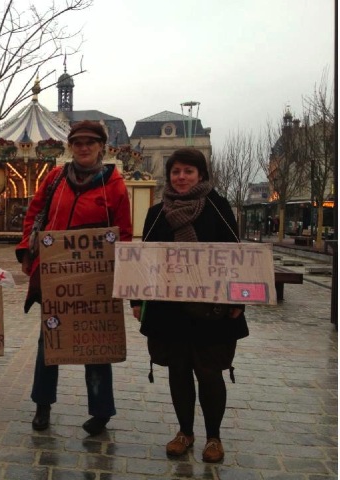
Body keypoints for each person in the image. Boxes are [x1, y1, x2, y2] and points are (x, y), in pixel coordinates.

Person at [131, 147, 249, 463]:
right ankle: (185, 432)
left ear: (200, 175)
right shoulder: (157, 213)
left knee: (210, 374)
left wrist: (239, 299)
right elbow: (143, 259)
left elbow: (237, 258)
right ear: (169, 176)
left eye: (188, 171)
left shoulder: (219, 207)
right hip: (169, 311)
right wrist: (136, 298)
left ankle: (214, 437)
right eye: (176, 172)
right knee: (179, 372)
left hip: (212, 311)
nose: (181, 177)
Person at [16, 120, 133, 435]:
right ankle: (43, 405)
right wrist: (29, 250)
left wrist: (117, 274)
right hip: (55, 279)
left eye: (90, 142)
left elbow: (124, 234)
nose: (83, 147)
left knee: (95, 344)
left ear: (101, 148)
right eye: (78, 142)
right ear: (71, 146)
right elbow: (34, 214)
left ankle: (101, 410)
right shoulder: (55, 178)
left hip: (95, 281)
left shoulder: (115, 186)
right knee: (49, 343)